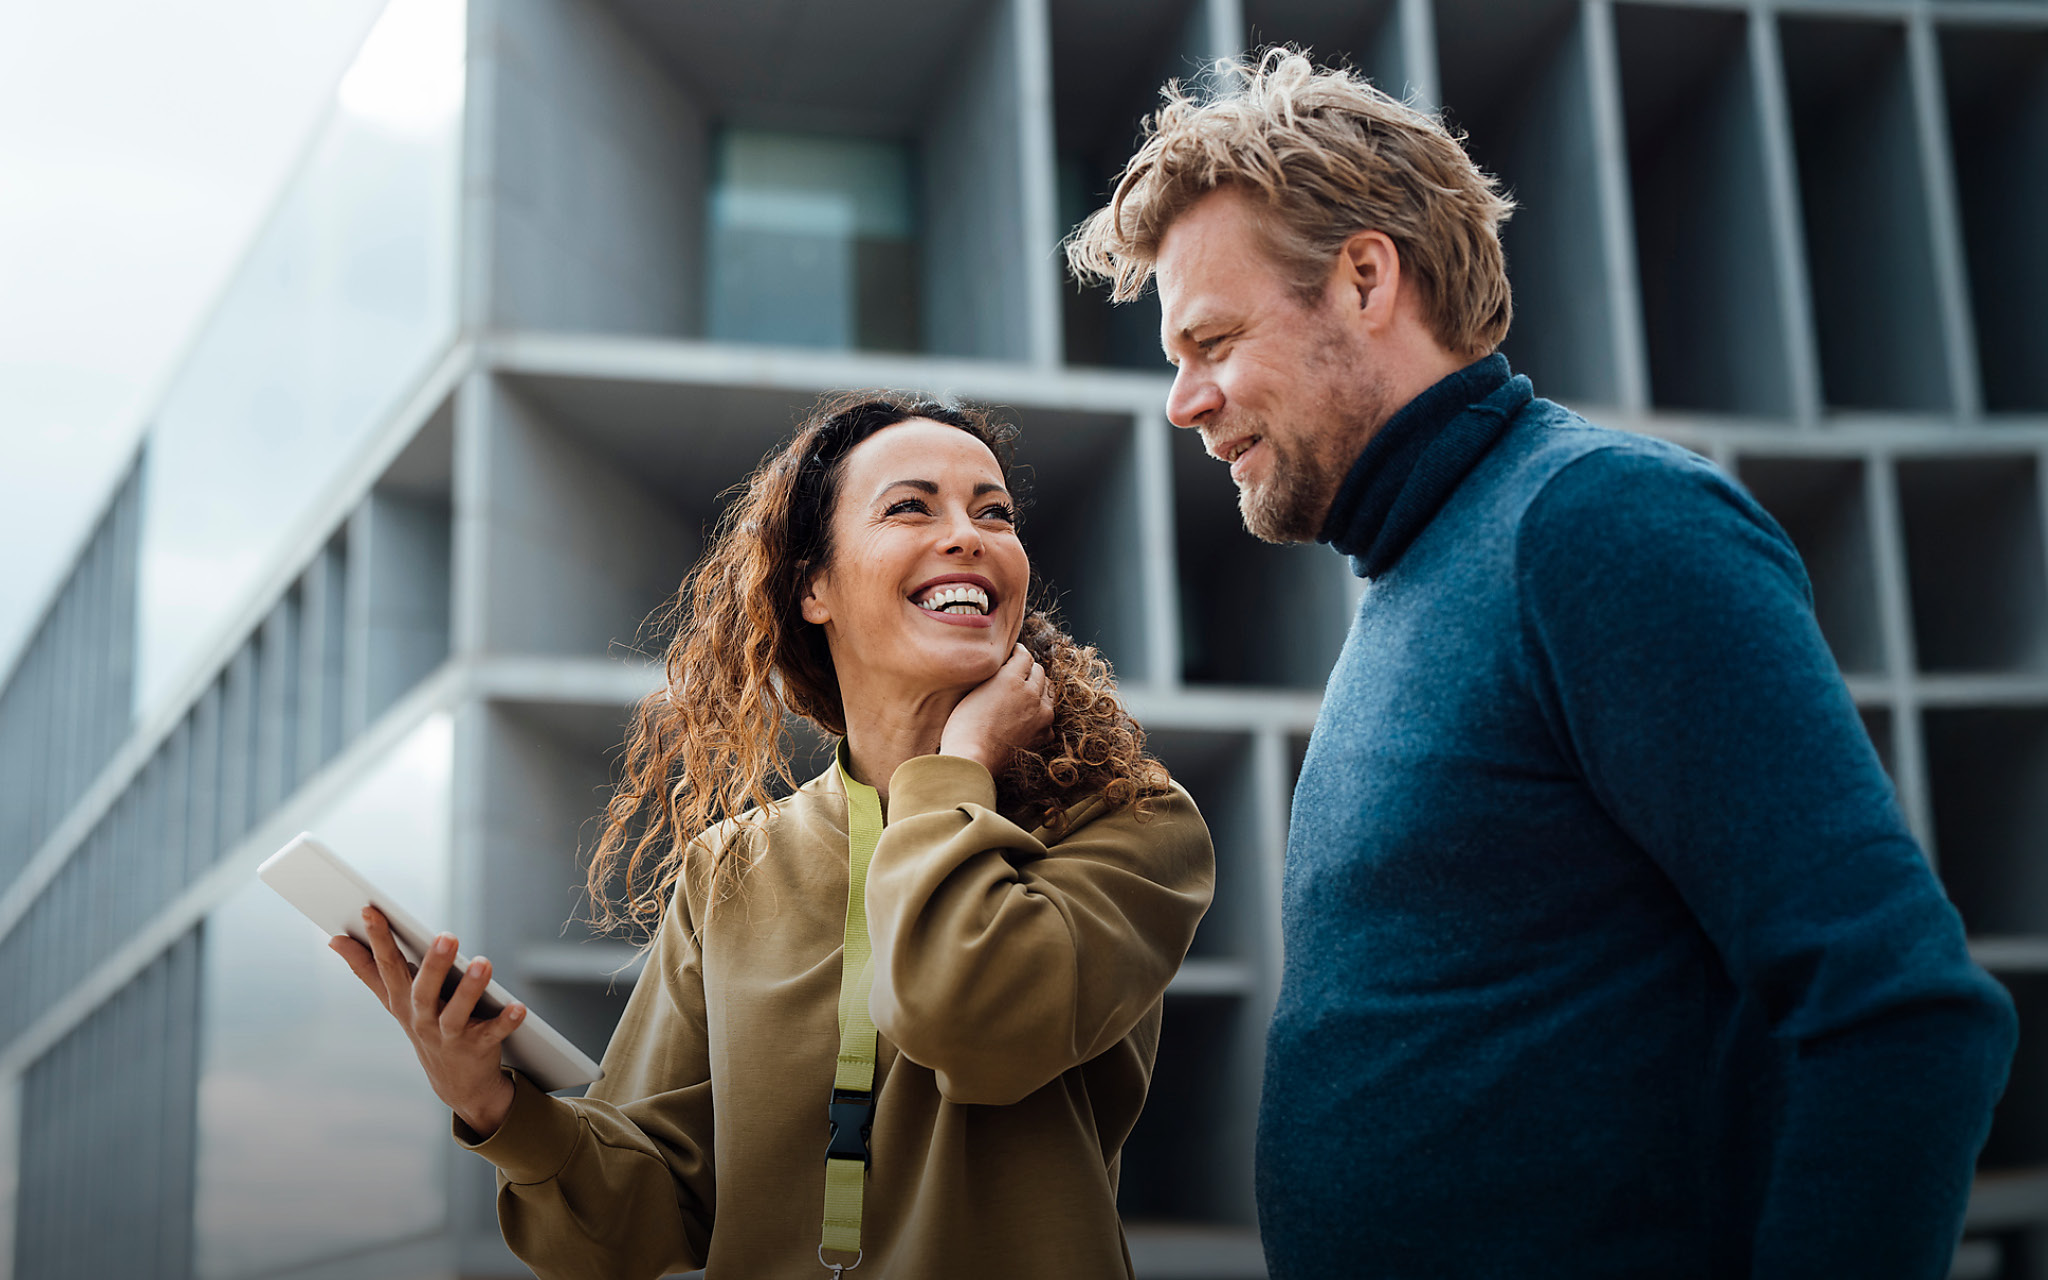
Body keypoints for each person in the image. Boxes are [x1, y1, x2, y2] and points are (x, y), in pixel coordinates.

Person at [1066, 49, 2017, 1279]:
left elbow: (1897, 1011)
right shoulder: (1413, 572)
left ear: (1363, 278)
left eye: (1210, 340)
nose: (1180, 402)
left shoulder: (1598, 523)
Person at [330, 392, 1215, 1278]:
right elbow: (627, 1227)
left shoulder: (1129, 822)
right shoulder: (732, 869)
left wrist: (961, 763)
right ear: (813, 587)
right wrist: (489, 1102)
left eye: (995, 513)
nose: (969, 534)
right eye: (912, 507)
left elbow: (973, 1023)